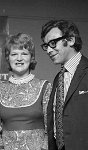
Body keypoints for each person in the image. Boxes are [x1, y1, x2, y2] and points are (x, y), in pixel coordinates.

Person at [0, 33, 52, 150]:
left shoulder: (45, 87)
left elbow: (52, 129)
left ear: (31, 57)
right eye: (14, 54)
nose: (19, 58)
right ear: (8, 58)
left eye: (24, 54)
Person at [41, 19, 88, 150]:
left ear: (71, 40)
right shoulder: (58, 78)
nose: (48, 50)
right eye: (46, 46)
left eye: (52, 43)